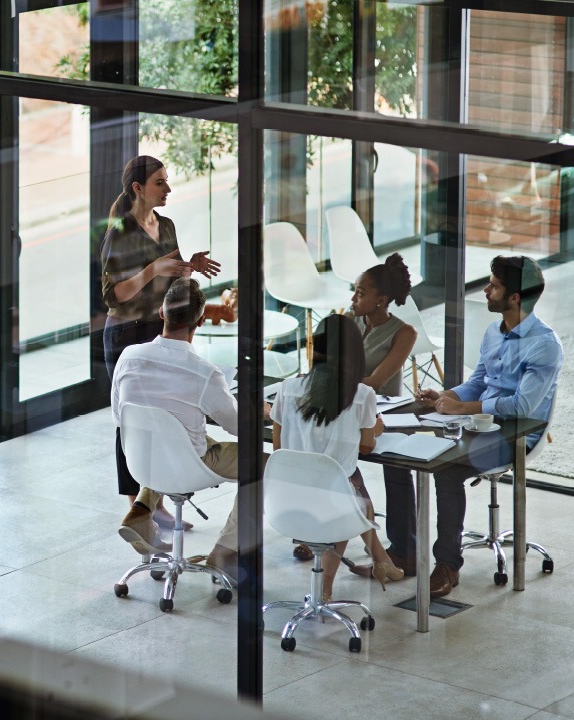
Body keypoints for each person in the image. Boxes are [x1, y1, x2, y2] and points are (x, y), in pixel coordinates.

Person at [415, 255, 563, 598]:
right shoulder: (493, 333)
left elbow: (523, 407)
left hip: (517, 433)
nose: (486, 290)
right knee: (428, 450)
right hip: (481, 424)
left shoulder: (544, 345)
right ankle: (407, 553)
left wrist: (463, 407)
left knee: (446, 470)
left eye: (494, 285)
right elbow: (479, 382)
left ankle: (447, 566)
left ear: (514, 298)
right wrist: (448, 395)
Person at [110, 278, 267, 581]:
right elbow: (236, 427)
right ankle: (224, 551)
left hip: (142, 459)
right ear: (202, 319)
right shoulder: (204, 373)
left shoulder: (128, 357)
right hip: (190, 464)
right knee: (264, 465)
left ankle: (141, 509)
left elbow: (120, 417)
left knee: (172, 439)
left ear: (161, 313)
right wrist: (256, 410)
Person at [101, 155, 221, 530]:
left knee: (164, 418)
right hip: (126, 334)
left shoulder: (165, 225)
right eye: (160, 182)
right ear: (138, 188)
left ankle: (155, 502)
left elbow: (171, 281)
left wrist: (191, 266)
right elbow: (113, 295)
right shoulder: (120, 232)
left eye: (168, 181)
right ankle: (139, 510)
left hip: (158, 331)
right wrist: (152, 269)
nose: (168, 188)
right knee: (135, 423)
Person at [271, 314, 404, 601]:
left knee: (350, 490)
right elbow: (366, 447)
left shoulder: (287, 389)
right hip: (332, 502)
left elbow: (278, 449)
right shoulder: (362, 395)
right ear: (356, 355)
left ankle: (382, 561)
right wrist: (375, 428)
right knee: (349, 495)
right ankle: (327, 587)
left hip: (287, 497)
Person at [346, 253, 419, 577]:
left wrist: (334, 382)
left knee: (398, 468)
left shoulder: (404, 333)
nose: (353, 298)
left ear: (382, 299)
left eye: (361, 293)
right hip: (347, 408)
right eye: (355, 290)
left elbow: (375, 382)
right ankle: (314, 535)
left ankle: (404, 552)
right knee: (321, 454)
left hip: (384, 414)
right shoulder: (349, 319)